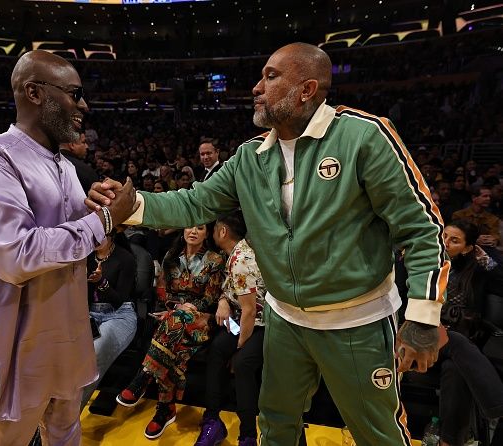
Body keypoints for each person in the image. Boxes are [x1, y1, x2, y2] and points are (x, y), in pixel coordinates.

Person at [88, 42, 449, 446]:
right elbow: (193, 202)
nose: (257, 87)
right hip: (284, 320)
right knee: (275, 425)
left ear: (307, 89)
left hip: (356, 321)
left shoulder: (364, 136)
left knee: (378, 434)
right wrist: (131, 204)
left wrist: (423, 317)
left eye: (271, 76)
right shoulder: (249, 156)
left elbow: (422, 230)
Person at [0, 50, 136, 446]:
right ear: (35, 93)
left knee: (67, 430)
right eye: (74, 93)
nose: (83, 105)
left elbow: (66, 237)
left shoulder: (65, 167)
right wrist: (105, 220)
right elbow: (17, 255)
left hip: (67, 329)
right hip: (15, 341)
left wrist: (93, 204)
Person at [115, 225, 225, 440]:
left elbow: (210, 298)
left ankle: (145, 376)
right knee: (174, 347)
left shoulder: (214, 260)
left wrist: (185, 308)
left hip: (201, 318)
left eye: (200, 228)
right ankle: (165, 409)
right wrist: (176, 308)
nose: (193, 231)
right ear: (183, 231)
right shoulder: (171, 256)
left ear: (206, 234)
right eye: (190, 227)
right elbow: (162, 291)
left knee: (172, 325)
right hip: (173, 317)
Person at [195, 210, 266, 446]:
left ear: (222, 231)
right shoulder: (237, 252)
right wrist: (224, 300)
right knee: (216, 349)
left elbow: (250, 312)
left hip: (264, 325)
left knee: (243, 363)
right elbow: (231, 289)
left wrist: (239, 348)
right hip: (246, 321)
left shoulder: (241, 260)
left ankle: (247, 435)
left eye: (213, 228)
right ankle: (213, 420)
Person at [438, 220, 503, 446]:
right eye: (444, 236)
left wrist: (485, 259)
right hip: (424, 336)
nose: (445, 243)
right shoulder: (426, 263)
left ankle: (448, 442)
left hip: (458, 342)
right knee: (455, 342)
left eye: (454, 240)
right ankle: (498, 406)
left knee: (455, 370)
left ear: (468, 248)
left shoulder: (476, 271)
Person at [81, 230, 137, 411]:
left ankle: (69, 417)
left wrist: (101, 282)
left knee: (96, 353)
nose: (94, 239)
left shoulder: (126, 258)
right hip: (89, 312)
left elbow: (118, 299)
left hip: (119, 313)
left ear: (110, 236)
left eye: (99, 235)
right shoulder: (85, 256)